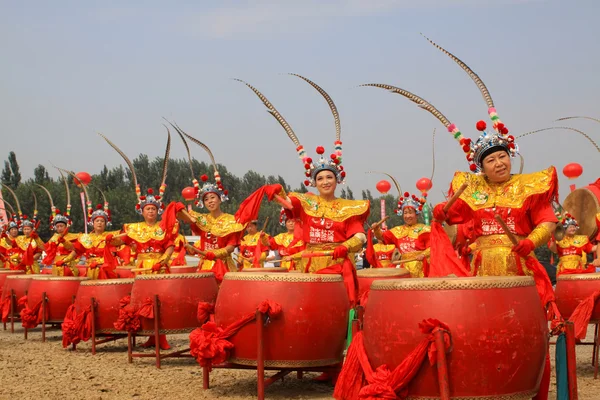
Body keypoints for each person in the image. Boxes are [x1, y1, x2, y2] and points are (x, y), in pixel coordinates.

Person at [365, 36, 556, 400]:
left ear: (510, 157)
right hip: (481, 263)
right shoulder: (470, 190)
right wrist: (440, 212)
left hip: (520, 264)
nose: (499, 163)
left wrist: (532, 241)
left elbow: (547, 220)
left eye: (502, 157)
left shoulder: (530, 187)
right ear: (480, 166)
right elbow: (452, 217)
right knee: (480, 323)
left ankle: (520, 380)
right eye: (491, 160)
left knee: (520, 326)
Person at [237, 75, 369, 303]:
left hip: (337, 264)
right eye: (321, 179)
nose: (326, 181)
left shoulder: (349, 208)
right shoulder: (307, 203)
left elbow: (359, 236)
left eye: (330, 177)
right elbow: (288, 204)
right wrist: (276, 193)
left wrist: (345, 247)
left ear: (337, 180)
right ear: (314, 183)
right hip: (309, 262)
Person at [100, 131, 177, 350]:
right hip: (141, 266)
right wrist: (110, 239)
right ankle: (148, 334)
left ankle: (161, 337)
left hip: (159, 266)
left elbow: (170, 246)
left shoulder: (163, 229)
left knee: (160, 300)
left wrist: (164, 260)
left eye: (153, 209)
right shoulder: (133, 228)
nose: (151, 212)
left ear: (157, 211)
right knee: (143, 300)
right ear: (142, 211)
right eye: (148, 209)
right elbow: (120, 241)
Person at [167, 122, 246, 282]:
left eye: (212, 197)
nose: (210, 201)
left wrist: (214, 254)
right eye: (206, 199)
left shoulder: (231, 221)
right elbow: (178, 212)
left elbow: (231, 247)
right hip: (205, 266)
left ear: (220, 198)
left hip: (223, 265)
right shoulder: (202, 219)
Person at [374, 190, 430, 276]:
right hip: (404, 268)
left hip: (421, 266)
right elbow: (381, 237)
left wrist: (423, 254)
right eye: (405, 213)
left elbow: (433, 247)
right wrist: (376, 229)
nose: (407, 216)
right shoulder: (398, 230)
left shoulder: (425, 229)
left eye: (410, 213)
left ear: (417, 214)